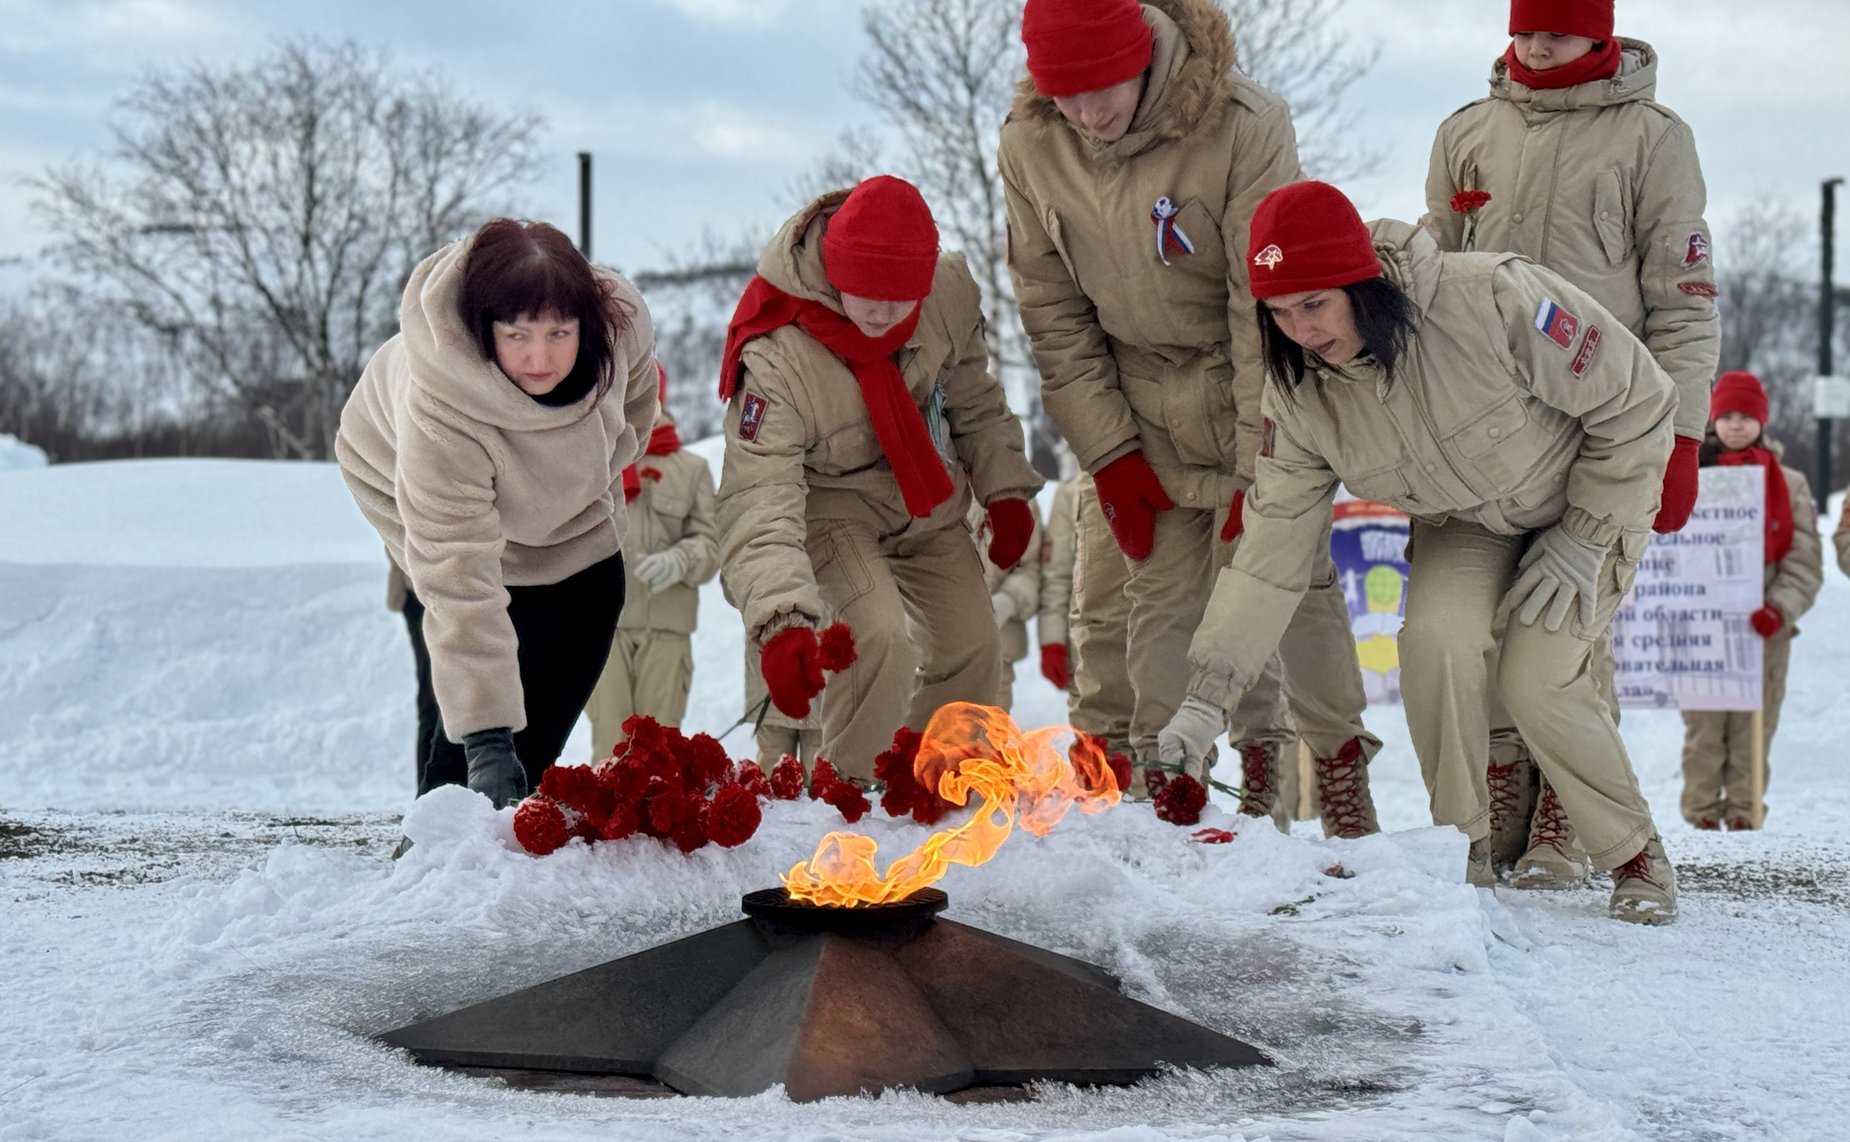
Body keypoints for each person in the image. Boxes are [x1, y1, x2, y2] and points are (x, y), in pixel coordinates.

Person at [1159, 180, 1680, 923]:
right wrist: (1205, 702)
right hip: (1467, 523)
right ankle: (1463, 847)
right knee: (1432, 643)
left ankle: (1634, 853)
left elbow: (1638, 402)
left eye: (1315, 303)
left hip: (1583, 505)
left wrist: (1587, 533)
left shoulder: (1492, 299)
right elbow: (1271, 552)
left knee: (1536, 675)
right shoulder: (1302, 395)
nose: (1301, 330)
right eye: (1279, 311)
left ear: (1362, 283)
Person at [999, 0, 1380, 832]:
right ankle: (1171, 798)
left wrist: (1261, 465)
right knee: (1158, 605)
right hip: (1139, 405)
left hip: (1252, 376)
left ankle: (1341, 774)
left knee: (1289, 586)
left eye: (1102, 89)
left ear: (1143, 56)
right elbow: (1052, 311)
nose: (1087, 115)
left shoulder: (1243, 123)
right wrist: (1111, 455)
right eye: (1065, 96)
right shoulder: (1031, 142)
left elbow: (1261, 307)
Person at [1426, 0, 1720, 882]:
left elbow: (1683, 302)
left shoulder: (1655, 140)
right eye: (1524, 28)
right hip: (1488, 432)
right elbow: (1430, 282)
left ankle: (1567, 810)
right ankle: (1503, 788)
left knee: (1564, 629)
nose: (1534, 44)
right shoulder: (1466, 133)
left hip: (1605, 428)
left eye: (1555, 29)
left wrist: (1680, 438)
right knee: (1468, 628)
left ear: (1598, 33)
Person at [715, 176, 1043, 782]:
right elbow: (758, 495)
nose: (886, 313)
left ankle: (930, 784)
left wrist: (1005, 488)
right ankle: (853, 794)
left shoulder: (947, 294)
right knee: (878, 637)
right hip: (831, 505)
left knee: (973, 643)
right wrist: (783, 620)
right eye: (869, 294)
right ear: (836, 272)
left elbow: (972, 397)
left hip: (924, 491)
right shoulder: (778, 350)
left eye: (902, 299)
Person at [337, 218, 658, 807]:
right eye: (517, 335)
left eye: (560, 333)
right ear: (486, 329)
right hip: (422, 501)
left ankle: (517, 800)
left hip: (575, 514)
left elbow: (635, 404)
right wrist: (487, 742)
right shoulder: (438, 410)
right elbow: (460, 578)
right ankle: (445, 831)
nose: (541, 358)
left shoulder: (623, 324)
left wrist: (588, 475)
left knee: (568, 651)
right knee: (474, 702)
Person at [1679, 372, 1822, 831]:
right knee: (1703, 727)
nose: (1736, 425)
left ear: (1762, 421)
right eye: (1727, 416)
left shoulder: (1790, 483)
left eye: (1746, 416)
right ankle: (1700, 812)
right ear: (1713, 419)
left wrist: (1778, 608)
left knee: (1753, 726)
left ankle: (1744, 812)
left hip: (1764, 627)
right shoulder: (1689, 473)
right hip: (1702, 625)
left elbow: (1804, 561)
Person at [582, 363, 720, 755]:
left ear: (660, 400)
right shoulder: (593, 465)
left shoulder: (692, 470)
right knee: (610, 750)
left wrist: (682, 559)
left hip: (667, 630)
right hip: (605, 632)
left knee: (660, 750)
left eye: (646, 398)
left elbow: (712, 544)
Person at [973, 497, 1045, 711]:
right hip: (933, 648)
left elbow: (1034, 568)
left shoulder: (1020, 497)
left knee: (988, 736)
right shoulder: (926, 480)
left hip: (999, 649)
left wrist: (1009, 600)